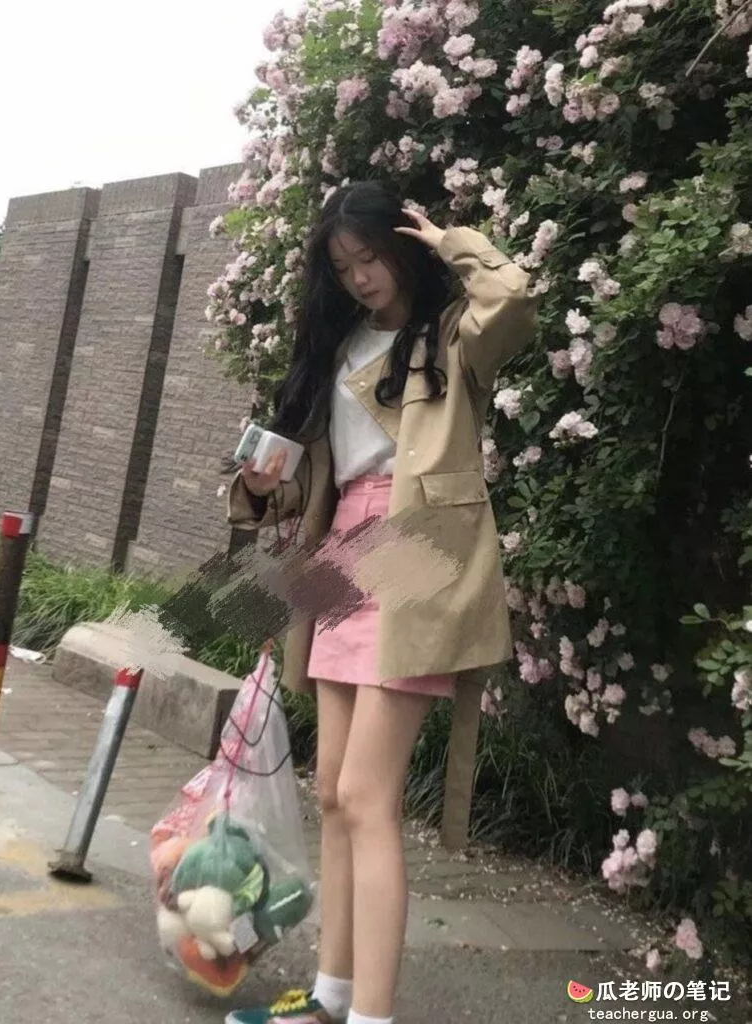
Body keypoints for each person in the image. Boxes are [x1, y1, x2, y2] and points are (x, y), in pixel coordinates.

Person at [224, 181, 537, 1024]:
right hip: (343, 551)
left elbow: (513, 296)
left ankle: (372, 1015)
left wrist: (450, 241)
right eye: (343, 265)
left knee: (367, 797)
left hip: (416, 550)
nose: (360, 276)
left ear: (400, 247)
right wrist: (263, 487)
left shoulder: (453, 335)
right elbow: (318, 483)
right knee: (332, 791)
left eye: (370, 256)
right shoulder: (337, 349)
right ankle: (331, 997)